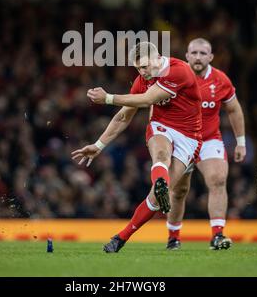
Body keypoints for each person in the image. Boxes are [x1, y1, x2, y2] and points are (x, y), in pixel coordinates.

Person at [71, 41, 202, 252]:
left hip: (190, 136)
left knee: (165, 196)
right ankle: (120, 238)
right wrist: (99, 144)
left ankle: (152, 202)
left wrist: (108, 98)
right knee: (161, 154)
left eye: (145, 66)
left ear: (158, 57)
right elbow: (124, 116)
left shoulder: (179, 71)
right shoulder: (143, 80)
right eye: (138, 68)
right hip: (162, 126)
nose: (142, 72)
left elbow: (146, 99)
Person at [166, 38, 246, 251]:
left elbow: (234, 109)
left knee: (218, 179)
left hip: (209, 139)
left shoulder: (220, 80)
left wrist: (241, 142)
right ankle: (173, 237)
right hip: (182, 140)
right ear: (187, 55)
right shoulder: (175, 76)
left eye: (203, 53)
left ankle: (217, 236)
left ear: (211, 57)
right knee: (179, 190)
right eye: (194, 53)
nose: (198, 57)